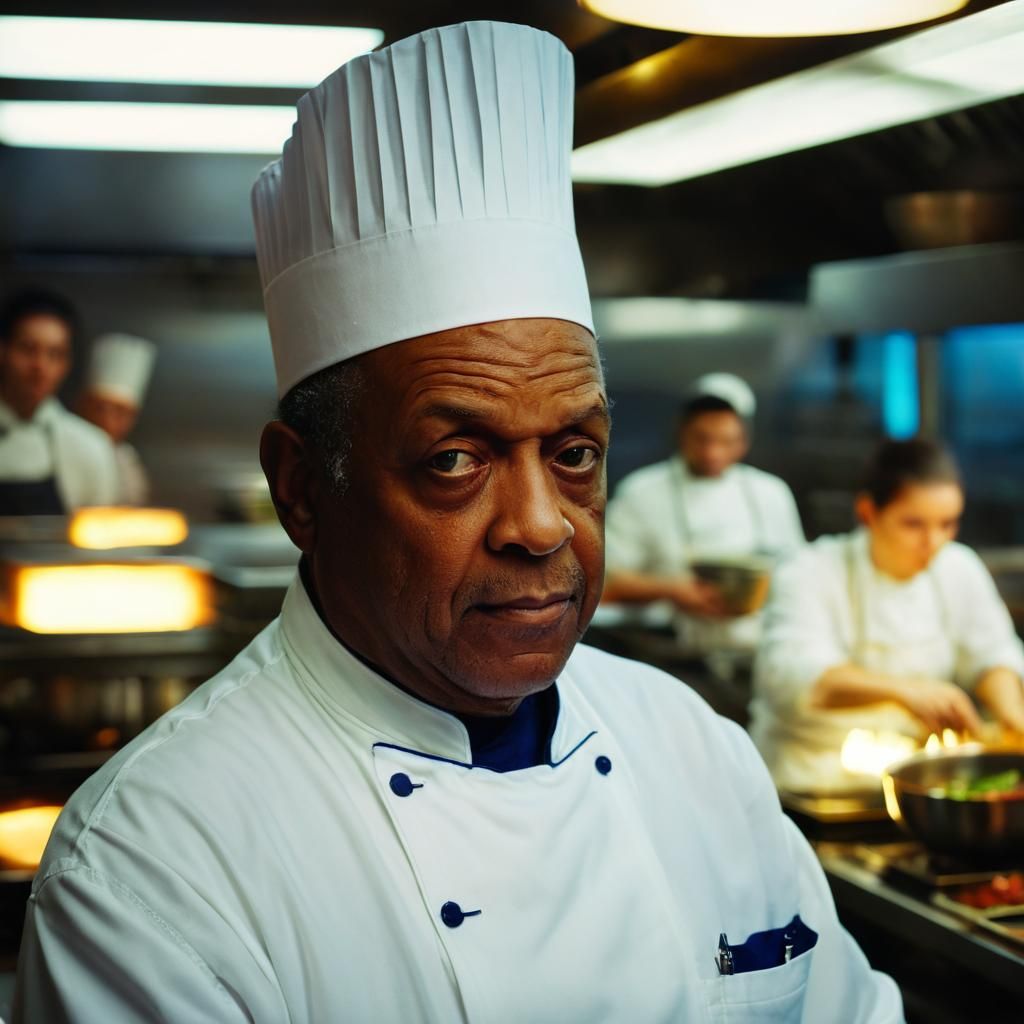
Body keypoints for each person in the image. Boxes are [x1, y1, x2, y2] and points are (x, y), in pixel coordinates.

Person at [14, 23, 901, 1023]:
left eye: (574, 454)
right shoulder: (153, 870)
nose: (539, 526)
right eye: (454, 460)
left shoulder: (694, 748)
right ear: (302, 489)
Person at [750, 438, 1024, 793]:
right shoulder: (809, 571)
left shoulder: (959, 567)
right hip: (812, 778)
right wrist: (906, 692)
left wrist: (1011, 714)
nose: (934, 542)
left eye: (948, 524)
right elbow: (795, 678)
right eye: (914, 525)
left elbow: (991, 652)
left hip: (921, 781)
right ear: (867, 513)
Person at [603, 372, 804, 655]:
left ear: (744, 440)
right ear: (681, 432)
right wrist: (671, 589)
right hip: (675, 652)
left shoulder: (771, 492)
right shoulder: (642, 492)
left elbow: (798, 574)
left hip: (761, 651)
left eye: (726, 441)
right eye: (702, 439)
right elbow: (604, 581)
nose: (713, 453)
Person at [0, 289, 119, 515]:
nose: (40, 367)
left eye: (54, 354)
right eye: (28, 349)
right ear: (3, 351)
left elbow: (100, 538)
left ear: (66, 364)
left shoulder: (90, 446)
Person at [77, 332, 157, 505]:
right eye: (100, 408)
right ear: (82, 406)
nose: (108, 419)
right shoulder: (70, 450)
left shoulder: (128, 461)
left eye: (121, 412)